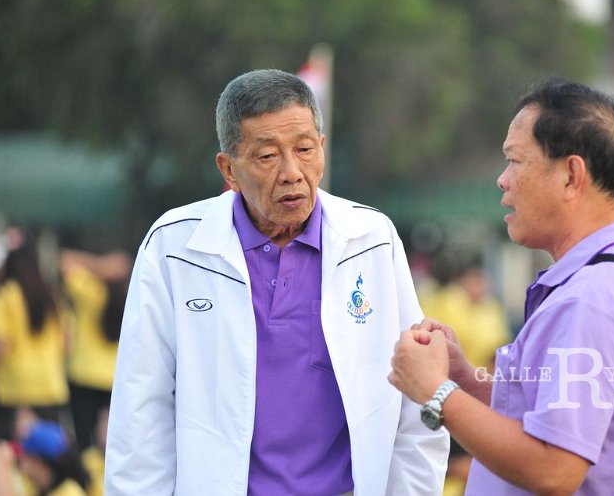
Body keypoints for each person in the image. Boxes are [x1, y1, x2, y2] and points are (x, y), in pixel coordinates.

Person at [105, 69, 449, 495]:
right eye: (267, 156)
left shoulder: (372, 239)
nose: (291, 172)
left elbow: (416, 400)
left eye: (304, 149)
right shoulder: (174, 247)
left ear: (322, 148)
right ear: (228, 169)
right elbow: (140, 410)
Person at [389, 78, 614, 495]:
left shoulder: (591, 299)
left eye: (514, 161)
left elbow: (554, 469)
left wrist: (437, 394)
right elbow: (555, 413)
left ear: (570, 175)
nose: (502, 180)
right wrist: (463, 378)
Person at [0, 237, 71, 442]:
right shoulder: (53, 295)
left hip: (12, 389)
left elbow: (0, 345)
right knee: (46, 452)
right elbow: (67, 341)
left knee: (6, 451)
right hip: (50, 386)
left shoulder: (5, 295)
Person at [59, 248, 131, 450]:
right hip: (114, 377)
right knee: (113, 442)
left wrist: (100, 265)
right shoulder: (131, 298)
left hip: (83, 374)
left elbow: (65, 262)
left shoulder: (90, 292)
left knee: (83, 439)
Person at [0, 420, 88, 496]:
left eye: (25, 457)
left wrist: (1, 469)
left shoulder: (68, 493)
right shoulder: (52, 489)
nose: (22, 465)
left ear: (39, 462)